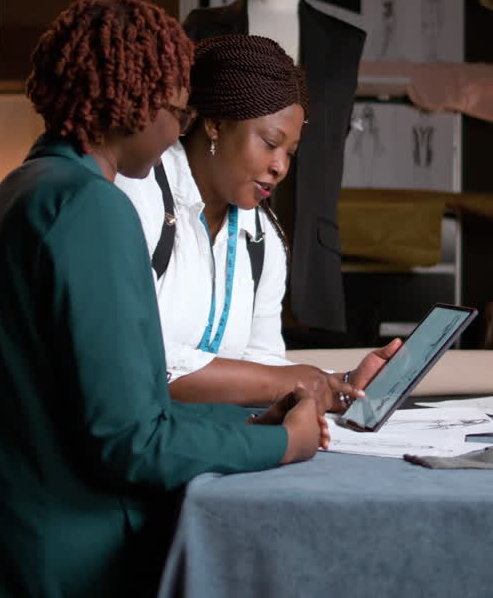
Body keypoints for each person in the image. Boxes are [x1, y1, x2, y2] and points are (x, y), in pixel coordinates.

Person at [0, 0, 328, 598]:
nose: (181, 125)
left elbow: (100, 404)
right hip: (49, 559)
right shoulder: (92, 208)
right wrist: (284, 442)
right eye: (177, 109)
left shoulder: (16, 195)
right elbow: (133, 439)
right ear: (137, 101)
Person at [115, 34, 400, 413]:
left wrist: (344, 386)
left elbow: (260, 367)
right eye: (269, 142)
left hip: (208, 441)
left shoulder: (262, 240)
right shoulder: (139, 192)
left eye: (290, 152)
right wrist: (302, 381)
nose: (280, 166)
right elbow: (133, 356)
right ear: (215, 124)